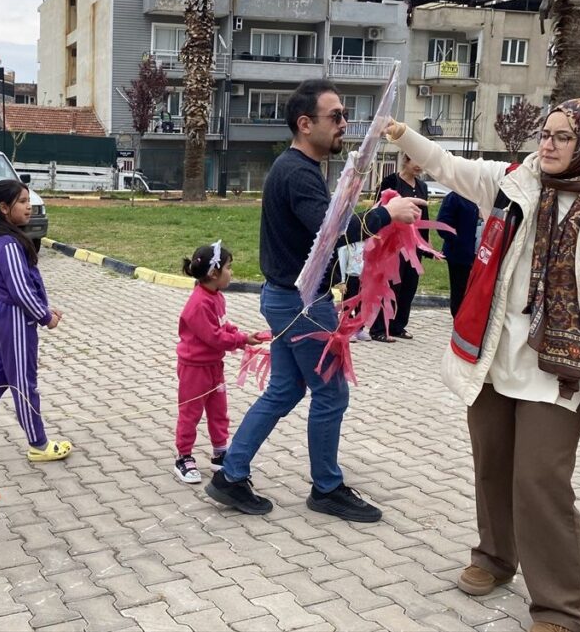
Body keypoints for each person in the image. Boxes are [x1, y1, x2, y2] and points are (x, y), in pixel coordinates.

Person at [384, 98, 580, 632]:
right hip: (496, 357)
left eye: (563, 137)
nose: (548, 144)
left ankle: (561, 605)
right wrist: (403, 134)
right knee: (492, 464)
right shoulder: (515, 182)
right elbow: (447, 166)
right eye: (546, 133)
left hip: (559, 370)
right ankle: (495, 558)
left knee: (540, 481)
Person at [204, 79, 426, 519]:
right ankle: (326, 488)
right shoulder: (297, 173)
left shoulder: (299, 168)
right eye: (335, 116)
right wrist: (388, 213)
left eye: (345, 115)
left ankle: (231, 475)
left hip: (286, 298)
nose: (344, 123)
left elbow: (326, 229)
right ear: (305, 124)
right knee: (331, 394)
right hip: (300, 303)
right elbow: (334, 233)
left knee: (286, 389)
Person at [0, 180, 72, 465]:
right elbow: (20, 291)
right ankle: (39, 444)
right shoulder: (8, 244)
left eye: (28, 200)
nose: (28, 206)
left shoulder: (2, 238)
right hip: (15, 320)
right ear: (4, 208)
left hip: (7, 316)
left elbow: (21, 287)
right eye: (22, 201)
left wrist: (43, 307)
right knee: (24, 383)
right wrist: (45, 317)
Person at [174, 241, 265, 484]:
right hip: (194, 369)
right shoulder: (198, 304)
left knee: (218, 411)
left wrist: (242, 336)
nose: (231, 272)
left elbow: (222, 325)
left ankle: (220, 452)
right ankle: (184, 456)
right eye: (228, 267)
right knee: (190, 413)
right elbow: (214, 337)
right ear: (214, 273)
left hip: (214, 366)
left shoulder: (216, 297)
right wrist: (240, 340)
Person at [369, 153, 429, 342]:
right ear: (406, 159)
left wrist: (425, 244)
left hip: (413, 244)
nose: (419, 166)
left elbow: (424, 216)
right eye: (416, 160)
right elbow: (378, 209)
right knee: (390, 285)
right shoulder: (391, 181)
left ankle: (398, 325)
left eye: (422, 162)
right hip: (393, 244)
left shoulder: (422, 186)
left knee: (409, 286)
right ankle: (379, 328)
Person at [437, 191, 481, 317]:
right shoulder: (454, 197)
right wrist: (457, 241)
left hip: (482, 254)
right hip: (459, 254)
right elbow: (442, 224)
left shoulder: (482, 195)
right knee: (459, 291)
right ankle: (458, 318)